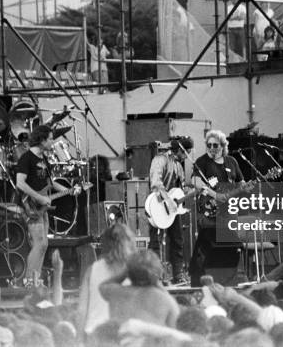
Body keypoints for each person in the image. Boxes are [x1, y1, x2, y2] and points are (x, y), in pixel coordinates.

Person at [16, 125, 81, 286]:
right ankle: (29, 280)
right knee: (39, 243)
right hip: (30, 206)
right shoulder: (26, 158)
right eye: (50, 138)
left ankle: (35, 280)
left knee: (43, 244)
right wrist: (38, 197)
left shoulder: (43, 159)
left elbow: (50, 183)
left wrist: (70, 190)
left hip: (41, 206)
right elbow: (20, 183)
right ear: (42, 139)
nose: (53, 142)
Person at [189, 130, 251, 286]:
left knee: (229, 245)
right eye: (208, 145)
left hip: (229, 211)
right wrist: (214, 195)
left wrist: (246, 187)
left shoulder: (232, 162)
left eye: (215, 145)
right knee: (207, 243)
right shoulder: (202, 161)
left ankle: (227, 279)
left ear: (223, 146)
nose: (211, 148)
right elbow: (195, 181)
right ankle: (201, 278)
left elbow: (240, 182)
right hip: (209, 211)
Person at [148, 136, 194, 285]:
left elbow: (179, 189)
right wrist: (168, 200)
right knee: (156, 242)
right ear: (180, 150)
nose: (186, 156)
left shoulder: (178, 165)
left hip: (172, 209)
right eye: (186, 152)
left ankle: (178, 274)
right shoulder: (160, 159)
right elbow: (156, 183)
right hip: (158, 205)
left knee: (178, 240)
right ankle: (154, 275)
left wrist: (191, 190)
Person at [78, 223, 136, 336]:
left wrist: (78, 340)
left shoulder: (92, 270)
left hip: (94, 335)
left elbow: (81, 311)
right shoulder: (136, 269)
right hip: (124, 336)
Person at [99, 249, 180, 327]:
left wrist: (124, 274)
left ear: (128, 271)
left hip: (119, 339)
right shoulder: (164, 299)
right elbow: (175, 327)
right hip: (149, 340)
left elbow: (103, 286)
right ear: (157, 271)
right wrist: (157, 282)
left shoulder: (116, 292)